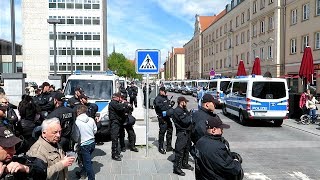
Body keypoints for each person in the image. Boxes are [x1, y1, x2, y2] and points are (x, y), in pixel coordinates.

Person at [73, 105, 97, 180]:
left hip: (84, 144)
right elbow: (95, 130)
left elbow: (76, 135)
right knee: (86, 160)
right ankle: (82, 173)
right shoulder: (91, 119)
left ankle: (91, 178)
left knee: (87, 163)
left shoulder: (77, 122)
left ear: (78, 112)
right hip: (92, 142)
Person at [172, 96, 194, 176]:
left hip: (187, 132)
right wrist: (191, 115)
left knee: (187, 148)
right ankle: (177, 168)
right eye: (185, 102)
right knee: (179, 150)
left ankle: (184, 163)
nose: (186, 103)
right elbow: (185, 121)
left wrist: (190, 113)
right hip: (182, 133)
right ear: (181, 102)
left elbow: (188, 117)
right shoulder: (177, 111)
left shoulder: (183, 109)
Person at [154, 86, 175, 154]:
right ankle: (160, 147)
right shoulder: (158, 99)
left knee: (170, 130)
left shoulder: (165, 97)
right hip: (162, 118)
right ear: (161, 91)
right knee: (162, 132)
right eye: (165, 91)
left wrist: (171, 104)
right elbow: (161, 108)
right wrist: (169, 106)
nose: (166, 93)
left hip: (167, 117)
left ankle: (169, 146)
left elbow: (167, 105)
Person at [108, 93, 127, 161]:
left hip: (117, 122)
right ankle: (114, 154)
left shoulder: (115, 103)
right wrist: (124, 104)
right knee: (114, 138)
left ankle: (116, 152)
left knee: (117, 138)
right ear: (116, 97)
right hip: (114, 123)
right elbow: (120, 108)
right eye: (119, 97)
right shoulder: (113, 103)